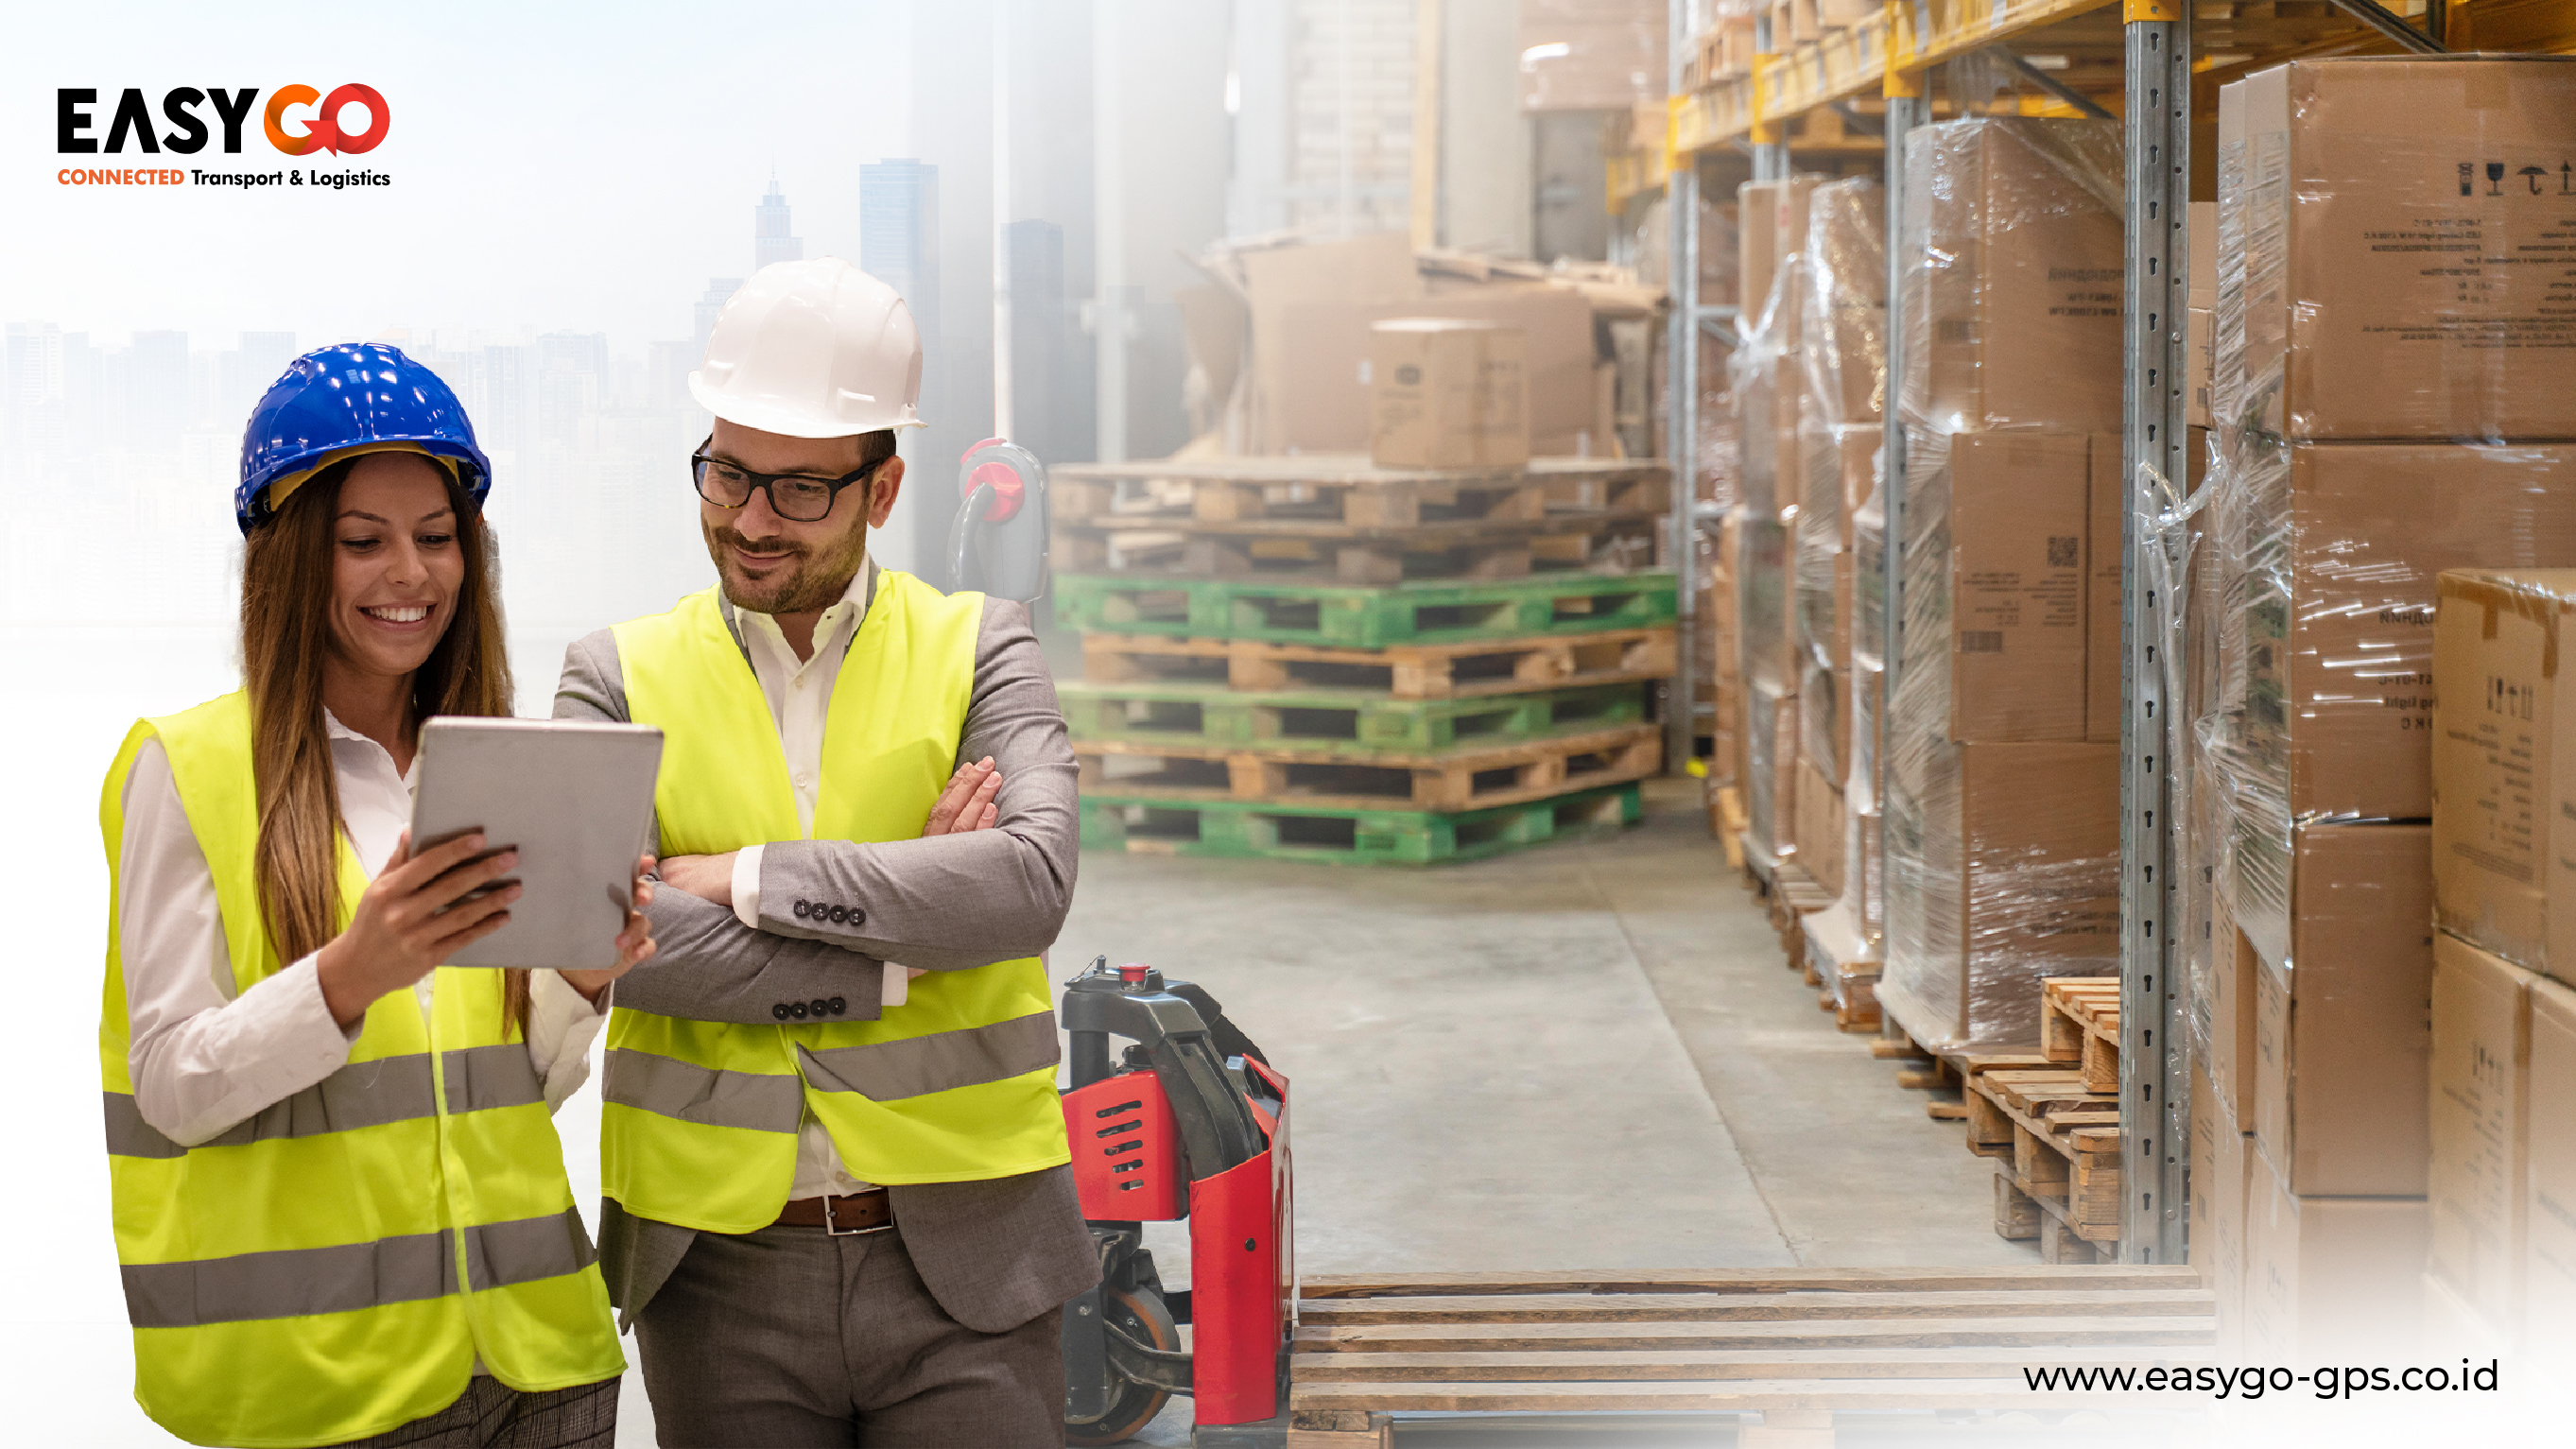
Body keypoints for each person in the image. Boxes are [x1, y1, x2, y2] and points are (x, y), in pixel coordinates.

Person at [550, 256, 1093, 1446]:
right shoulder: (614, 676)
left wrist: (741, 878)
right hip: (714, 1264)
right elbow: (598, 927)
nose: (750, 520)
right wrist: (908, 939)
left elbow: (1028, 886)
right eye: (727, 473)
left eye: (799, 490)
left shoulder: (982, 648)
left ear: (881, 489)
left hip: (971, 1253)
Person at [97, 343, 656, 1448]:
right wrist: (348, 978)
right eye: (364, 541)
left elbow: (506, 1097)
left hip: (543, 1357)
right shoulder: (188, 767)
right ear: (290, 556)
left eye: (436, 538)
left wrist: (580, 981)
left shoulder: (497, 766)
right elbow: (169, 1087)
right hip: (331, 1385)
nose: (411, 573)